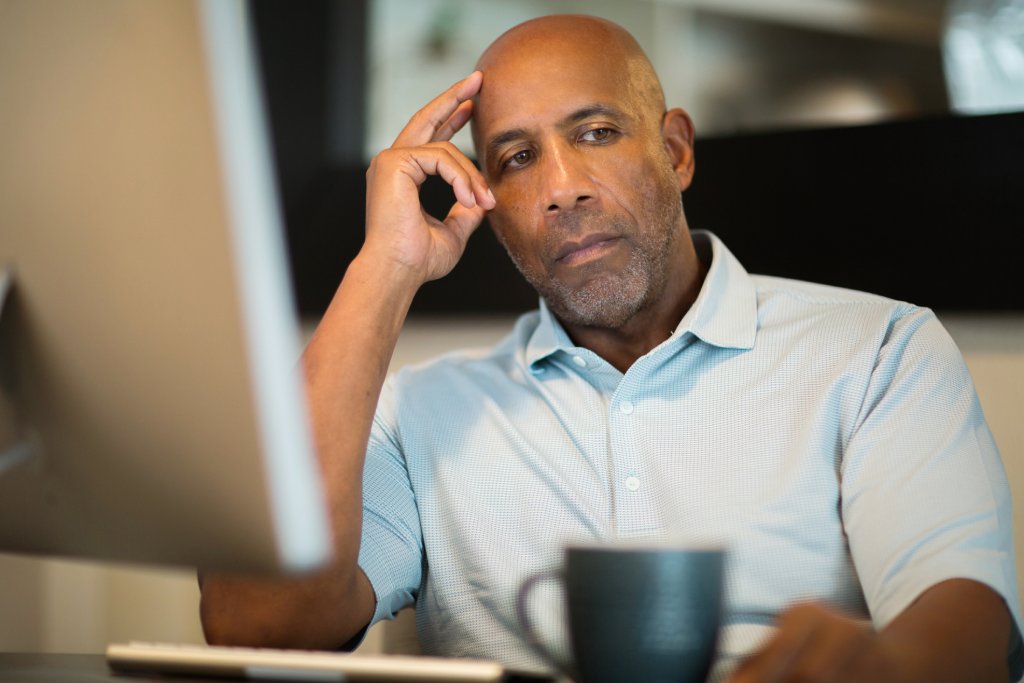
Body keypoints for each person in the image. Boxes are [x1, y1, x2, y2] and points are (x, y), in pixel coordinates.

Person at [199, 14, 1022, 683]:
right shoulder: (422, 413)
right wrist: (384, 266)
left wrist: (883, 665)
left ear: (674, 150)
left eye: (594, 132)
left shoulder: (877, 351)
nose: (561, 187)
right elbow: (256, 618)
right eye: (516, 158)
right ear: (485, 199)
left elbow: (970, 625)